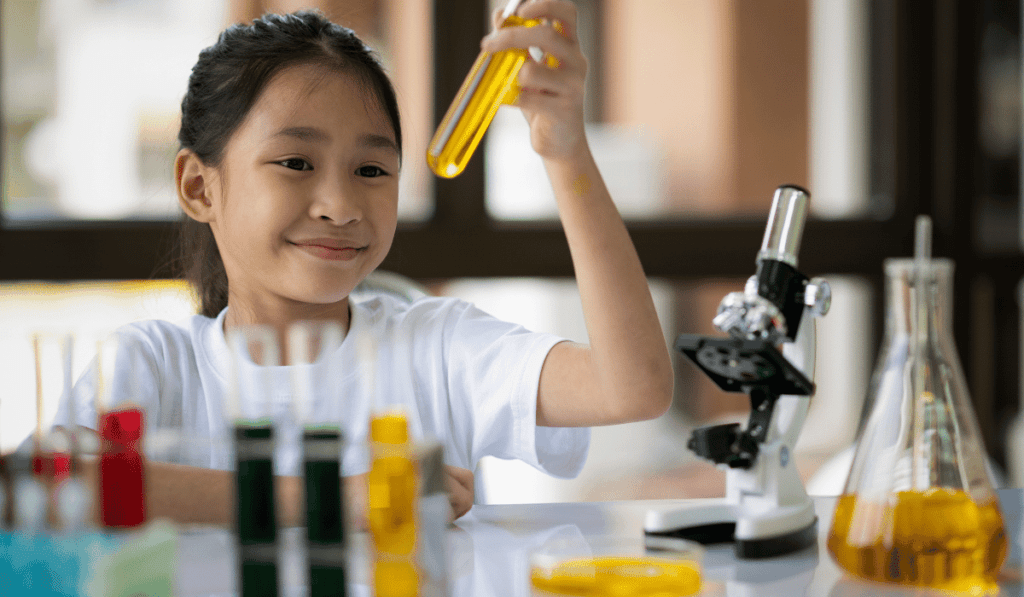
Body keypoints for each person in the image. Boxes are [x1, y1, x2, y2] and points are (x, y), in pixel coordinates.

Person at [49, 1, 673, 526]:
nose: (341, 205)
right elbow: (57, 488)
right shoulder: (153, 366)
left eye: (372, 170)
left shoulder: (436, 349)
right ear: (199, 187)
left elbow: (633, 387)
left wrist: (565, 154)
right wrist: (335, 500)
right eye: (296, 162)